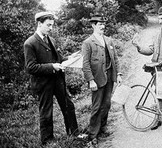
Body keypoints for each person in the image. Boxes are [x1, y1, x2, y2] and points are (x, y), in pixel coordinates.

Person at [24, 12, 78, 145]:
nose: (51, 28)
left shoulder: (51, 40)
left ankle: (74, 133)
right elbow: (30, 67)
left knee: (68, 105)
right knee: (46, 111)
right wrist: (52, 66)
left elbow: (57, 59)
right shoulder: (30, 43)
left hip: (58, 80)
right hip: (43, 83)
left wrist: (69, 59)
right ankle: (47, 140)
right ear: (39, 24)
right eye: (48, 25)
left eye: (52, 25)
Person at [82, 14, 122, 145]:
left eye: (104, 24)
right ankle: (93, 134)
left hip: (109, 77)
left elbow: (115, 59)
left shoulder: (109, 40)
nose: (103, 26)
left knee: (107, 104)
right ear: (93, 25)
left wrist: (119, 74)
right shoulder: (88, 43)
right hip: (97, 79)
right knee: (96, 107)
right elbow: (86, 64)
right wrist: (91, 80)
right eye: (100, 24)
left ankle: (103, 128)